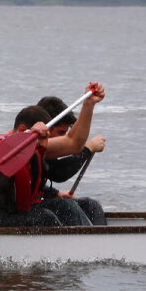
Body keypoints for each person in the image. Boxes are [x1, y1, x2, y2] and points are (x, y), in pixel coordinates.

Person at [0, 83, 106, 227]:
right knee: (47, 216)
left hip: (17, 211)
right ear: (22, 130)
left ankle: (99, 245)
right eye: (44, 138)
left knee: (89, 206)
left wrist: (88, 104)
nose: (46, 144)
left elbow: (74, 143)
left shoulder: (37, 144)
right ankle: (69, 247)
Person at [36, 95, 107, 225]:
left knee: (91, 205)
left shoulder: (44, 146)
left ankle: (103, 241)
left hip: (34, 202)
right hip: (15, 211)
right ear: (45, 128)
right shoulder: (33, 144)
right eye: (61, 133)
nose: (64, 138)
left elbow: (37, 179)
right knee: (67, 207)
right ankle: (86, 244)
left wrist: (55, 193)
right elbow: (59, 172)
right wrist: (87, 150)